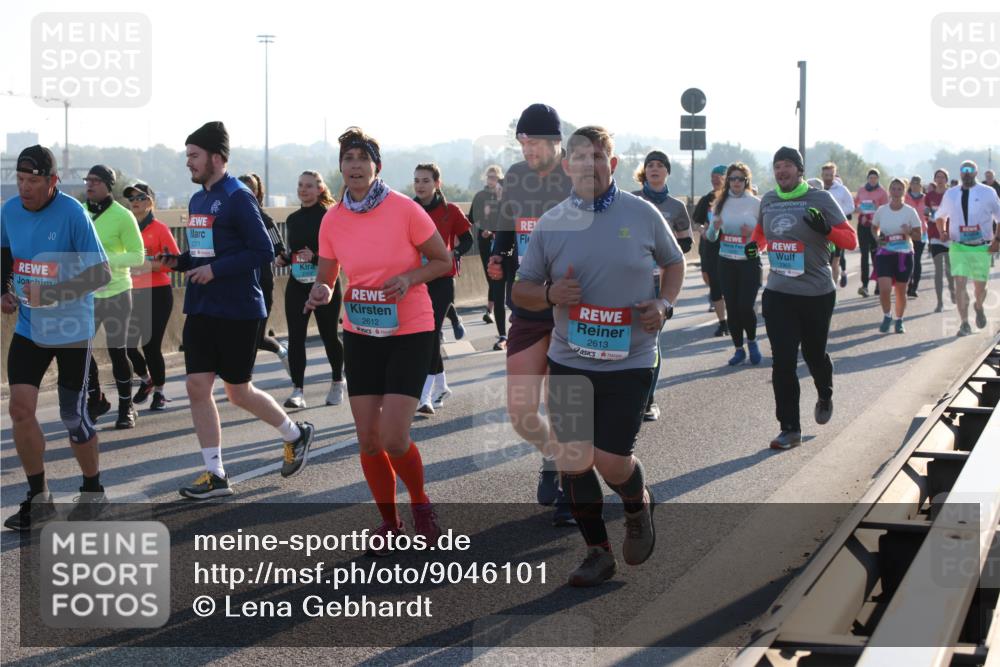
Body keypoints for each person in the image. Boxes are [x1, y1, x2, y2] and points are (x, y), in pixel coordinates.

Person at [513, 125, 685, 586]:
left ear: (612, 164)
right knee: (573, 458)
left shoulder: (643, 213)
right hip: (571, 356)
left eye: (597, 157)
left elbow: (674, 262)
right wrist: (550, 294)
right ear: (566, 165)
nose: (587, 165)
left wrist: (664, 305)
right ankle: (596, 552)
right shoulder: (551, 223)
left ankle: (637, 504)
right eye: (578, 157)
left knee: (610, 461)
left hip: (630, 359)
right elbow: (522, 289)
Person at [305, 126, 451, 553]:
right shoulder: (332, 219)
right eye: (347, 160)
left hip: (410, 328)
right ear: (341, 169)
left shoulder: (405, 210)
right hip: (362, 330)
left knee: (392, 436)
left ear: (376, 167)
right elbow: (328, 276)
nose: (353, 166)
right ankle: (390, 522)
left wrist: (409, 277)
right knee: (367, 438)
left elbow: (443, 261)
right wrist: (321, 291)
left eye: (361, 159)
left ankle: (421, 504)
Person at [159, 121, 314, 498]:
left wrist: (215, 270)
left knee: (238, 392)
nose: (188, 163)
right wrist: (175, 261)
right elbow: (201, 252)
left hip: (239, 309)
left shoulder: (238, 196)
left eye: (194, 156)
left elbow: (262, 252)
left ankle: (296, 434)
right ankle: (215, 473)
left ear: (217, 157)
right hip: (201, 308)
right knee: (197, 385)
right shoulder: (197, 200)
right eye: (187, 156)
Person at [1, 145, 112, 530]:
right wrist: (3, 289)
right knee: (19, 409)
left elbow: (101, 274)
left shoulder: (73, 214)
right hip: (30, 328)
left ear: (53, 181)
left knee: (72, 416)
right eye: (20, 180)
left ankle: (93, 491)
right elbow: (3, 251)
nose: (25, 188)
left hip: (71, 329)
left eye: (33, 181)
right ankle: (39, 497)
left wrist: (50, 295)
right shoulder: (9, 210)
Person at [487, 103, 575, 526]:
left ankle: (571, 492)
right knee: (522, 411)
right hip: (526, 300)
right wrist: (498, 256)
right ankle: (552, 454)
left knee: (561, 404)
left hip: (569, 304)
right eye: (522, 141)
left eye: (535, 141)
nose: (527, 148)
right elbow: (508, 227)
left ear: (556, 142)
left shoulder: (576, 176)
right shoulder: (517, 177)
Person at [752, 147, 858, 450]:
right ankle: (789, 428)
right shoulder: (769, 200)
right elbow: (761, 235)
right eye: (777, 166)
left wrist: (825, 228)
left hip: (816, 293)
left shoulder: (820, 199)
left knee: (814, 354)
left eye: (787, 166)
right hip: (779, 293)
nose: (781, 171)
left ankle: (824, 392)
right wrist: (753, 247)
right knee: (782, 362)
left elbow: (849, 240)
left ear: (799, 170)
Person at [274, 170, 345, 408]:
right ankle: (297, 390)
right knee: (296, 338)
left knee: (329, 336)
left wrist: (315, 258)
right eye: (300, 185)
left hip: (325, 282)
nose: (303, 190)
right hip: (298, 284)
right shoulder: (293, 218)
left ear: (320, 189)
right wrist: (284, 258)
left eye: (309, 186)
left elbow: (340, 252)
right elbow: (295, 252)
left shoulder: (329, 216)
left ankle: (337, 380)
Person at [83, 164, 145, 429]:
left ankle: (126, 406)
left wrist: (107, 260)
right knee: (81, 351)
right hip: (86, 293)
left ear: (108, 185)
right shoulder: (80, 213)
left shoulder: (123, 216)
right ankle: (96, 398)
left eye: (96, 181)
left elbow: (138, 256)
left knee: (117, 351)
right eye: (88, 180)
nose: (90, 185)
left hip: (117, 291)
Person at [632, 150, 693, 419]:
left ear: (667, 171)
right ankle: (626, 394)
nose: (654, 169)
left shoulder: (676, 207)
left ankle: (648, 401)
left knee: (651, 340)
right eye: (650, 165)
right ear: (644, 172)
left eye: (659, 165)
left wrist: (663, 249)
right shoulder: (631, 201)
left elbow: (687, 243)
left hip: (661, 281)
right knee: (627, 339)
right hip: (631, 279)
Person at [412, 163, 474, 414]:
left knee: (431, 333)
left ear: (437, 183)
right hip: (417, 279)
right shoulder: (410, 209)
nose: (420, 185)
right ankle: (442, 385)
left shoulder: (451, 211)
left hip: (443, 280)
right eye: (416, 180)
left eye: (425, 180)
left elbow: (468, 239)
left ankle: (424, 396)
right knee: (425, 336)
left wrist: (453, 252)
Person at [124, 181, 179, 411]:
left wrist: (146, 264)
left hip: (158, 292)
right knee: (126, 344)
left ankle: (160, 393)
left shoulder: (160, 229)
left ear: (150, 202)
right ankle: (147, 380)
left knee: (151, 344)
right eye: (132, 199)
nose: (135, 203)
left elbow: (174, 261)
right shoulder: (126, 229)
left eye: (140, 198)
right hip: (131, 291)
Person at [706, 163, 763, 365]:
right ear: (727, 181)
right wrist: (715, 227)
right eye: (732, 178)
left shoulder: (756, 203)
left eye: (740, 179)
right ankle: (739, 349)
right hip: (726, 261)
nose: (736, 182)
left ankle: (753, 342)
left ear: (746, 181)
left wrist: (752, 235)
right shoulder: (720, 202)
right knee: (732, 307)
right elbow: (711, 237)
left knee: (745, 307)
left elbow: (764, 236)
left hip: (749, 261)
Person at [935, 160, 1000, 336]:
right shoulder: (952, 193)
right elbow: (940, 216)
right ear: (960, 173)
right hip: (958, 246)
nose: (967, 173)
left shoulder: (988, 192)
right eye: (964, 170)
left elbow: (999, 218)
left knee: (980, 287)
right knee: (960, 284)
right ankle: (964, 323)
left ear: (976, 172)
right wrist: (943, 231)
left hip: (981, 247)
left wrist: (997, 240)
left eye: (970, 170)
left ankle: (978, 306)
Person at [237, 173, 291, 377]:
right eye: (241, 185)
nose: (245, 189)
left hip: (261, 285)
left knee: (257, 338)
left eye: (250, 187)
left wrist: (282, 257)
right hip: (237, 284)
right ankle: (241, 380)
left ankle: (281, 350)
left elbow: (280, 249)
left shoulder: (263, 219)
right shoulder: (229, 216)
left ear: (258, 193)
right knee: (239, 336)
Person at [872, 178, 921, 333]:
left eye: (899, 189)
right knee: (884, 289)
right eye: (893, 188)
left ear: (904, 192)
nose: (896, 192)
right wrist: (877, 237)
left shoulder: (910, 211)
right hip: (885, 254)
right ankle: (887, 315)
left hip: (904, 255)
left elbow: (918, 236)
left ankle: (899, 320)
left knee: (901, 291)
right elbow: (874, 228)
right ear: (889, 191)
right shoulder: (882, 210)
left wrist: (909, 232)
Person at [468, 164, 507, 349]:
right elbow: (470, 218)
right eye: (490, 177)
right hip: (486, 242)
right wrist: (482, 222)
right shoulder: (481, 196)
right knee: (493, 278)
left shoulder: (507, 197)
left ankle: (495, 313)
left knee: (505, 282)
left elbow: (513, 218)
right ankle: (498, 325)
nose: (493, 180)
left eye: (496, 178)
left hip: (506, 243)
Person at [692, 165, 728, 335]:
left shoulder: (732, 199)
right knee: (711, 281)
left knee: (725, 285)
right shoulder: (707, 199)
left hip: (730, 247)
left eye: (719, 176)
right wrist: (702, 230)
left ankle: (725, 322)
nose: (715, 179)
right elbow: (696, 221)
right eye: (712, 176)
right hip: (709, 248)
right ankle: (723, 321)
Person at [854, 168, 889, 297]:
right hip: (862, 225)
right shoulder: (862, 190)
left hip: (876, 227)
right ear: (867, 179)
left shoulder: (882, 192)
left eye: (875, 178)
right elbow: (855, 203)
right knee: (864, 256)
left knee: (876, 256)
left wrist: (875, 212)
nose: (873, 180)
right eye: (870, 178)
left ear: (878, 179)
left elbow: (886, 209)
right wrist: (858, 209)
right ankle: (864, 285)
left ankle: (878, 284)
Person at [819, 162, 855, 288]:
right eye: (826, 175)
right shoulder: (818, 189)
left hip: (837, 229)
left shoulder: (841, 190)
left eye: (831, 175)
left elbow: (851, 206)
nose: (828, 178)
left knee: (835, 261)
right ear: (822, 175)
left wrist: (837, 214)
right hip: (820, 229)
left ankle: (832, 290)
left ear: (834, 175)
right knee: (822, 261)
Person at [924, 170, 955, 312]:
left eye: (943, 177)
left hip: (950, 236)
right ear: (934, 179)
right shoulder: (929, 195)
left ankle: (952, 290)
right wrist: (930, 216)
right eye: (938, 177)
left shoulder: (952, 194)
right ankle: (940, 302)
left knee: (949, 269)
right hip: (935, 236)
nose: (940, 179)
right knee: (938, 270)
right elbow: (926, 212)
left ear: (946, 180)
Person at [903, 175, 929, 299]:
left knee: (916, 259)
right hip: (906, 231)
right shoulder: (905, 198)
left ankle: (914, 286)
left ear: (920, 185)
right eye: (913, 183)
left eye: (917, 183)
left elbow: (931, 213)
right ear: (910, 185)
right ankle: (906, 283)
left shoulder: (926, 198)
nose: (915, 185)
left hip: (921, 231)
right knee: (907, 258)